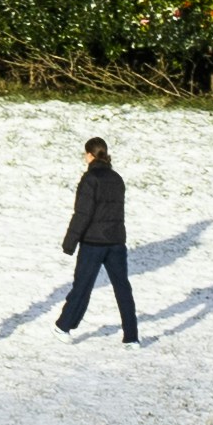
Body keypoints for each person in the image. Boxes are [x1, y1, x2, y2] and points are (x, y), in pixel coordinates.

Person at [57, 134, 138, 341]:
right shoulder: (117, 178)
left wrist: (69, 242)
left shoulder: (90, 179)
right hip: (116, 241)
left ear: (90, 155)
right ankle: (131, 336)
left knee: (82, 285)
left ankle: (64, 326)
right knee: (123, 289)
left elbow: (83, 213)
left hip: (93, 242)